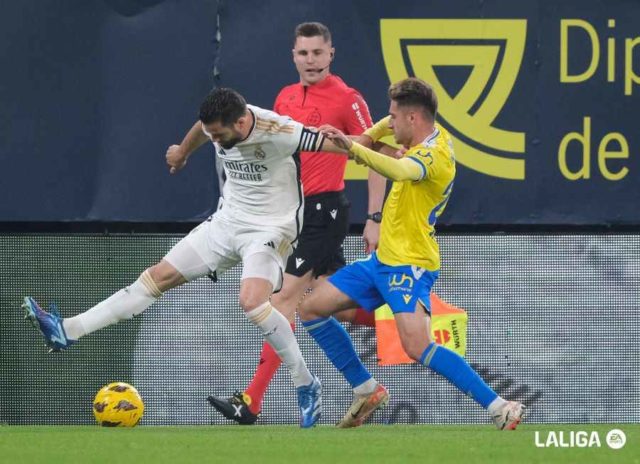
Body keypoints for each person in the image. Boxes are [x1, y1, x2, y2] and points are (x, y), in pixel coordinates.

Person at [21, 87, 344, 428]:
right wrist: (181, 152)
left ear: (241, 121)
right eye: (212, 133)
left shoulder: (281, 131)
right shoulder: (216, 125)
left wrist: (377, 147)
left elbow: (342, 145)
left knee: (252, 301)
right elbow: (201, 129)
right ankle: (67, 330)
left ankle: (306, 384)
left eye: (220, 134)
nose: (215, 138)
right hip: (227, 222)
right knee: (158, 276)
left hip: (271, 229)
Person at [297, 77, 527, 429]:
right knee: (311, 308)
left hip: (410, 263)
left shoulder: (435, 157)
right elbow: (366, 139)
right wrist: (345, 141)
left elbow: (398, 169)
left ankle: (498, 406)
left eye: (393, 116)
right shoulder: (419, 128)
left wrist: (354, 149)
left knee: (417, 346)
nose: (389, 122)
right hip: (382, 260)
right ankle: (365, 387)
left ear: (413, 119)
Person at [206, 22, 387, 425]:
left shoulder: (347, 98)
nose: (311, 61)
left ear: (331, 54)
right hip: (291, 213)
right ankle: (374, 375)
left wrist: (374, 218)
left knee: (280, 304)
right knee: (324, 307)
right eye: (303, 54)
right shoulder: (284, 98)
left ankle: (251, 401)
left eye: (317, 53)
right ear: (293, 56)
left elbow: (380, 154)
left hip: (324, 213)